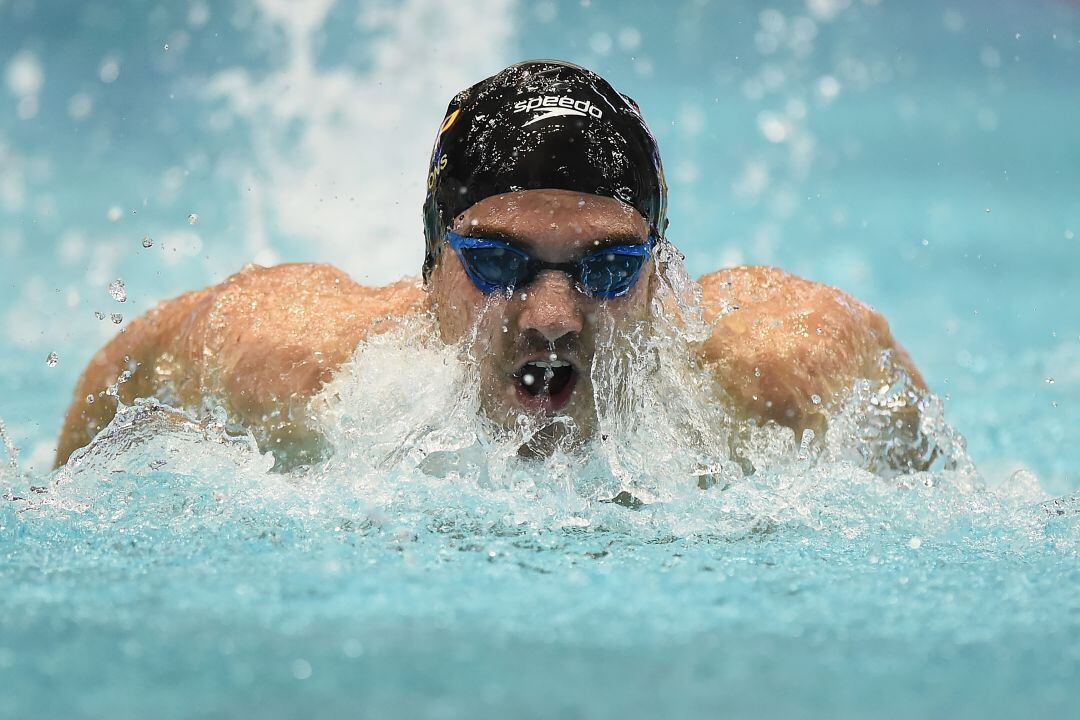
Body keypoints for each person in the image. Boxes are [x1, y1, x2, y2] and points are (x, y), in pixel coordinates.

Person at [55, 60, 929, 471]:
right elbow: (129, 369)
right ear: (431, 265)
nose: (553, 315)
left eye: (608, 268)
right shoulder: (301, 366)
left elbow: (917, 444)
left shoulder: (769, 372)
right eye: (499, 262)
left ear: (664, 279)